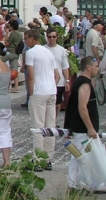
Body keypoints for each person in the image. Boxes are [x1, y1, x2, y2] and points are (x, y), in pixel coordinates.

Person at [24, 28, 59, 171]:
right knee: (50, 126)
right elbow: (57, 75)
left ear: (32, 38)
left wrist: (31, 93)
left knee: (38, 127)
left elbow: (30, 75)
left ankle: (37, 160)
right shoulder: (49, 52)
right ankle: (48, 159)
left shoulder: (31, 53)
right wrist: (52, 86)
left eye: (26, 38)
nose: (25, 41)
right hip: (51, 91)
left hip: (39, 92)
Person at [63, 56, 100, 190]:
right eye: (96, 66)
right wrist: (90, 128)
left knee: (80, 157)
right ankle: (75, 185)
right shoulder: (84, 84)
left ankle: (78, 184)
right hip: (82, 128)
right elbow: (82, 107)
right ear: (88, 67)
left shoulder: (82, 82)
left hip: (81, 128)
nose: (98, 69)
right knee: (80, 158)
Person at [44, 27, 70, 112]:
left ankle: (54, 122)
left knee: (57, 104)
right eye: (50, 37)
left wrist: (67, 80)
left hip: (59, 82)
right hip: (46, 80)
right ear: (47, 37)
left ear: (56, 37)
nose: (52, 39)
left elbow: (65, 66)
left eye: (54, 37)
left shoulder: (61, 50)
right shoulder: (43, 49)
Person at [2, 19, 22, 92]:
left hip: (12, 52)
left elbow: (7, 43)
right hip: (16, 53)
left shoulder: (13, 34)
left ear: (12, 26)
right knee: (14, 69)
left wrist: (7, 33)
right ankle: (16, 87)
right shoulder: (19, 33)